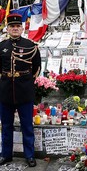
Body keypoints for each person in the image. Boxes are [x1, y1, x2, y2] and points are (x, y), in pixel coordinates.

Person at [0, 14, 41, 167]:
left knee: (27, 126)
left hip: (24, 91)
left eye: (18, 26)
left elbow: (37, 67)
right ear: (8, 29)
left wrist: (26, 81)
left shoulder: (31, 45)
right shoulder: (1, 46)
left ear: (22, 29)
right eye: (12, 26)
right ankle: (6, 154)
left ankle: (29, 155)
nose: (15, 29)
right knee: (6, 125)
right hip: (5, 91)